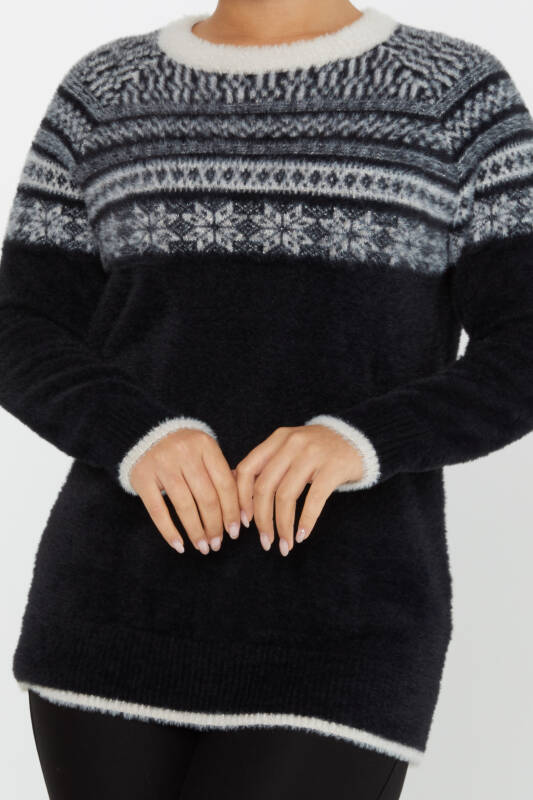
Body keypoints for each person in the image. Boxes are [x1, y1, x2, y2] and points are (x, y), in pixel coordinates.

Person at [2, 1, 533, 797]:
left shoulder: (453, 95)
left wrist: (363, 438)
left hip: (345, 620)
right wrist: (135, 435)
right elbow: (22, 323)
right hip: (109, 609)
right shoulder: (104, 91)